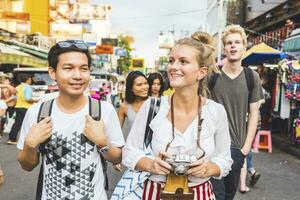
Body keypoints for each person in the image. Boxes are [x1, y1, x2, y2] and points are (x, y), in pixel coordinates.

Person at [122, 32, 233, 199]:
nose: (173, 67)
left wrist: (208, 168)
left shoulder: (216, 111)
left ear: (201, 72)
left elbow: (224, 159)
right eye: (171, 61)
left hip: (200, 193)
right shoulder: (152, 106)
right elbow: (129, 151)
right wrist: (151, 164)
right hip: (155, 192)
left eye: (183, 61)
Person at [17, 40, 125, 200]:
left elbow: (117, 157)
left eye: (84, 69)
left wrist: (102, 143)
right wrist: (30, 145)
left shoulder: (104, 110)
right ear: (53, 73)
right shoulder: (37, 112)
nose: (78, 76)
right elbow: (27, 165)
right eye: (68, 68)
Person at [209, 25, 263, 200]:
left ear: (244, 47)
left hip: (237, 149)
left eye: (237, 42)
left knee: (229, 196)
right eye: (229, 43)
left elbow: (254, 113)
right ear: (224, 48)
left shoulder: (251, 77)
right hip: (213, 148)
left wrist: (246, 148)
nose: (233, 46)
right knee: (216, 195)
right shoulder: (213, 76)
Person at [117, 71, 149, 140]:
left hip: (155, 149)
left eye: (146, 83)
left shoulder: (154, 103)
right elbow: (115, 132)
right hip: (133, 147)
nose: (144, 87)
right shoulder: (124, 106)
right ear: (131, 88)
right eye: (139, 85)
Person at [7, 74, 34, 145]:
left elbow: (16, 97)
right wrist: (35, 100)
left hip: (18, 107)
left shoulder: (18, 87)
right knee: (31, 123)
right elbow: (28, 98)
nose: (31, 80)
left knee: (17, 124)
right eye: (30, 79)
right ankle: (30, 140)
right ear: (27, 79)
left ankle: (11, 139)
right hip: (26, 108)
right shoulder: (28, 87)